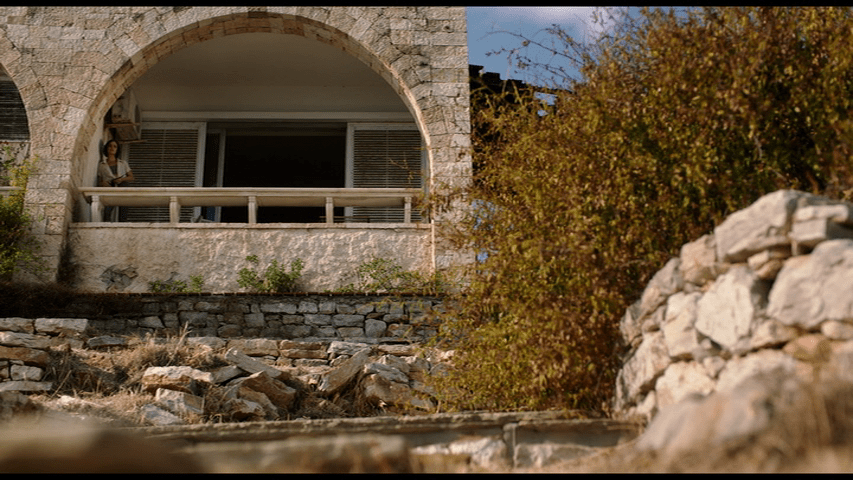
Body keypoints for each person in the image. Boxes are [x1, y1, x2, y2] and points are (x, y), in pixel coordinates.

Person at [97, 139, 134, 221]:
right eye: (110, 146)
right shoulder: (102, 165)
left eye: (115, 146)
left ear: (117, 149)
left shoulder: (123, 163)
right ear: (106, 148)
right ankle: (106, 225)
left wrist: (121, 179)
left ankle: (122, 224)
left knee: (123, 208)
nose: (112, 148)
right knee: (107, 211)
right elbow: (100, 181)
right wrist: (104, 183)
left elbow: (131, 177)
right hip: (110, 187)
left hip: (122, 185)